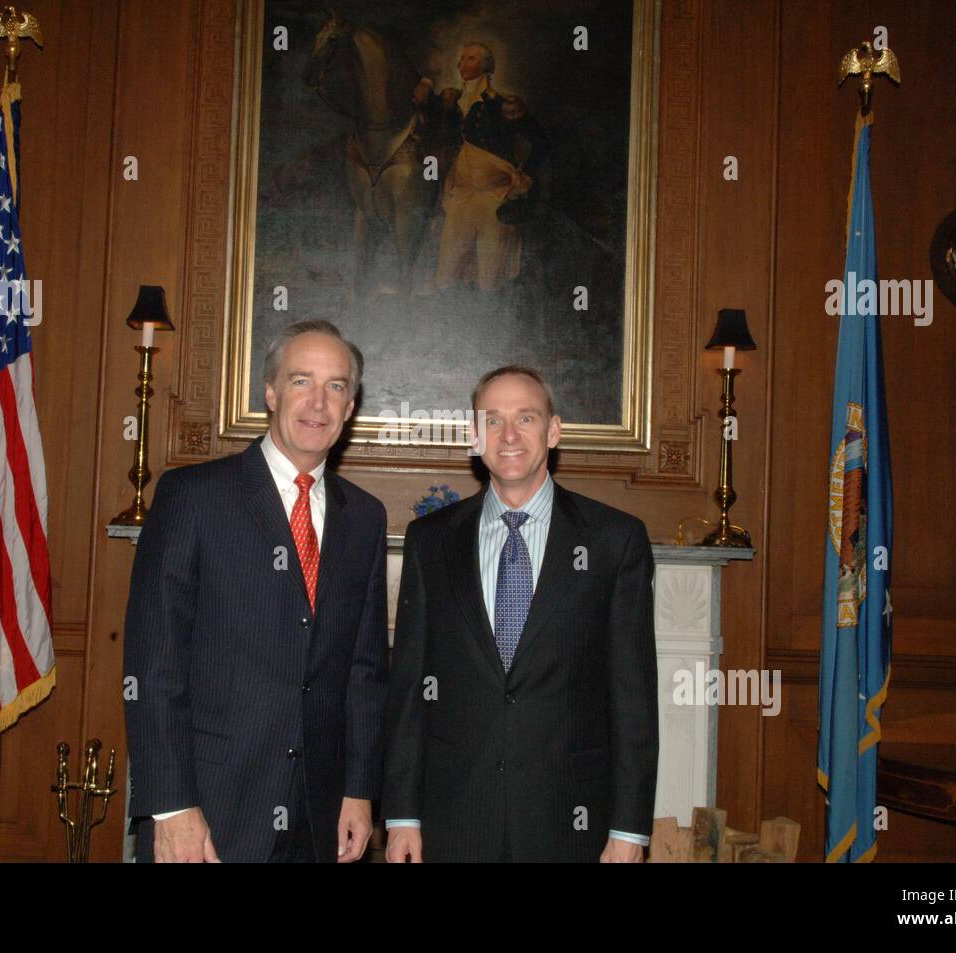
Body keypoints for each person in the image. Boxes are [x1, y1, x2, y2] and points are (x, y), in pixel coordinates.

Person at [124, 320, 388, 862]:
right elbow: (154, 664)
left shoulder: (364, 517)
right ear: (269, 392)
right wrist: (171, 806)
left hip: (319, 819)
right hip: (209, 813)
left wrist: (359, 790)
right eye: (300, 381)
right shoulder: (193, 497)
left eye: (336, 386)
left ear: (350, 405)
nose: (318, 402)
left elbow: (364, 670)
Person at [382, 365, 657, 862]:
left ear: (553, 431)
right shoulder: (431, 541)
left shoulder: (614, 540)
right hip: (454, 821)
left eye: (526, 418)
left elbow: (633, 697)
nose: (508, 435)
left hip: (574, 823)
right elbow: (409, 688)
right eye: (492, 420)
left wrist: (629, 831)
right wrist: (402, 816)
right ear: (474, 435)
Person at [417, 42, 549, 290]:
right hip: (459, 200)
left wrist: (525, 179)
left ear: (486, 65)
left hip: (494, 199)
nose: (463, 63)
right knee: (446, 279)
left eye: (471, 58)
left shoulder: (503, 104)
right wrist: (425, 83)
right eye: (462, 58)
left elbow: (541, 142)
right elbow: (428, 130)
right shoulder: (450, 104)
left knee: (491, 281)